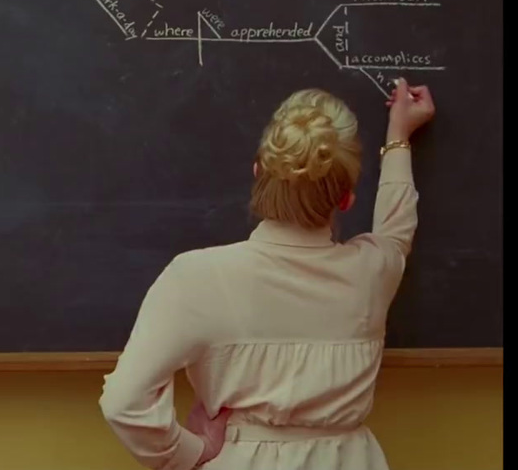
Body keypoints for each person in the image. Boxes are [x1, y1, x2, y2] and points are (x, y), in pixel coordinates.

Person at [99, 78, 435, 469]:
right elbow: (396, 229)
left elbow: (124, 401)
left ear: (259, 172)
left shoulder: (196, 277)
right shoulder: (372, 271)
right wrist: (399, 136)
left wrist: (188, 453)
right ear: (346, 199)